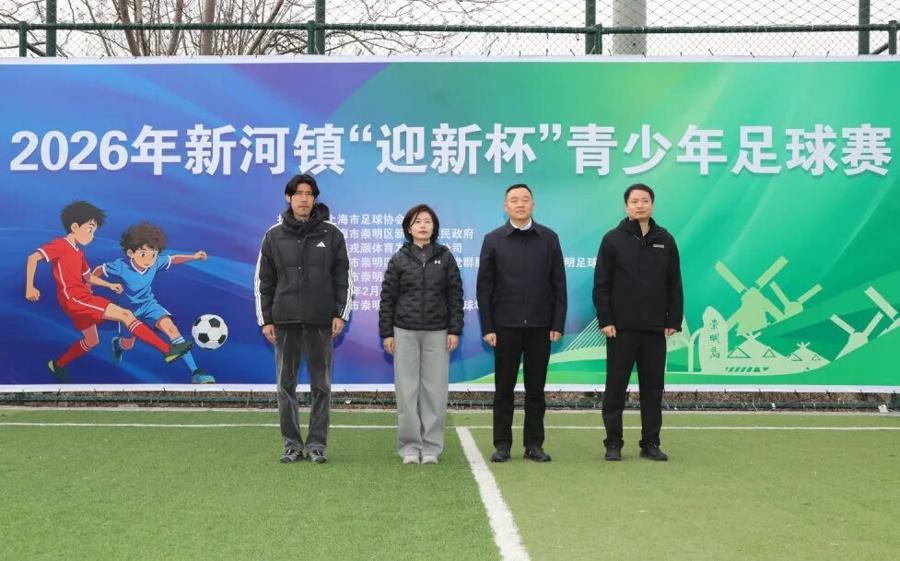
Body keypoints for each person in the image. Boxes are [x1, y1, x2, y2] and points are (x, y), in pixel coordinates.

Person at [25, 201, 192, 382]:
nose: (92, 236)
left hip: (81, 298)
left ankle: (57, 365)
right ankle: (167, 350)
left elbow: (89, 277)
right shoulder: (60, 245)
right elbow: (33, 258)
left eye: (94, 232)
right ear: (74, 227)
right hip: (74, 298)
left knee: (91, 341)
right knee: (126, 315)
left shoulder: (79, 253)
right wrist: (30, 287)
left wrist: (109, 285)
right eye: (90, 230)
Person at [255, 174, 351, 464]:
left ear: (315, 198)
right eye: (298, 193)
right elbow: (264, 280)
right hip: (285, 322)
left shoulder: (331, 234)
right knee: (286, 386)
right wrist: (266, 319)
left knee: (321, 386)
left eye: (309, 194)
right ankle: (292, 445)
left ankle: (317, 445)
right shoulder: (274, 235)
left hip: (321, 322)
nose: (304, 199)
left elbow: (344, 278)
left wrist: (340, 314)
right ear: (289, 198)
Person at [592, 183, 683, 462]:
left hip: (655, 330)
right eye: (634, 201)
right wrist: (606, 319)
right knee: (615, 389)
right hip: (620, 329)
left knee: (653, 390)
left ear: (652, 205)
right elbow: (602, 283)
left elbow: (674, 283)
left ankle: (650, 443)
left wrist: (673, 319)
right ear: (626, 206)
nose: (640, 205)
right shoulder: (612, 239)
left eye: (645, 200)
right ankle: (613, 443)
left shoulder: (665, 240)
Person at [476, 184, 567, 463]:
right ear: (505, 207)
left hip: (541, 326)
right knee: (503, 389)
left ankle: (534, 444)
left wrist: (557, 323)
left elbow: (559, 284)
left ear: (533, 204)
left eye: (525, 199)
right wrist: (488, 327)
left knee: (535, 390)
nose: (520, 204)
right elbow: (484, 288)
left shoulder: (549, 238)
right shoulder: (493, 240)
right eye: (514, 200)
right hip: (505, 326)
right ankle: (502, 444)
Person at [379, 204, 463, 465]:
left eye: (427, 221)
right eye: (417, 222)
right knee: (407, 391)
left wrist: (454, 329)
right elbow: (387, 298)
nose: (423, 226)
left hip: (438, 332)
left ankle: (431, 447)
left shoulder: (446, 257)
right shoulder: (399, 259)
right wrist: (387, 333)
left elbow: (455, 295)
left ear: (434, 227)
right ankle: (409, 446)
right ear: (408, 228)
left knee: (435, 391)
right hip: (404, 331)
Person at [94, 222, 214, 384]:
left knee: (171, 329)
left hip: (149, 306)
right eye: (144, 254)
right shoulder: (120, 266)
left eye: (154, 254)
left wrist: (193, 257)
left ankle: (196, 373)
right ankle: (118, 345)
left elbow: (173, 259)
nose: (149, 259)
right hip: (127, 312)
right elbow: (98, 270)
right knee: (128, 344)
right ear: (131, 253)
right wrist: (91, 285)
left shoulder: (156, 262)